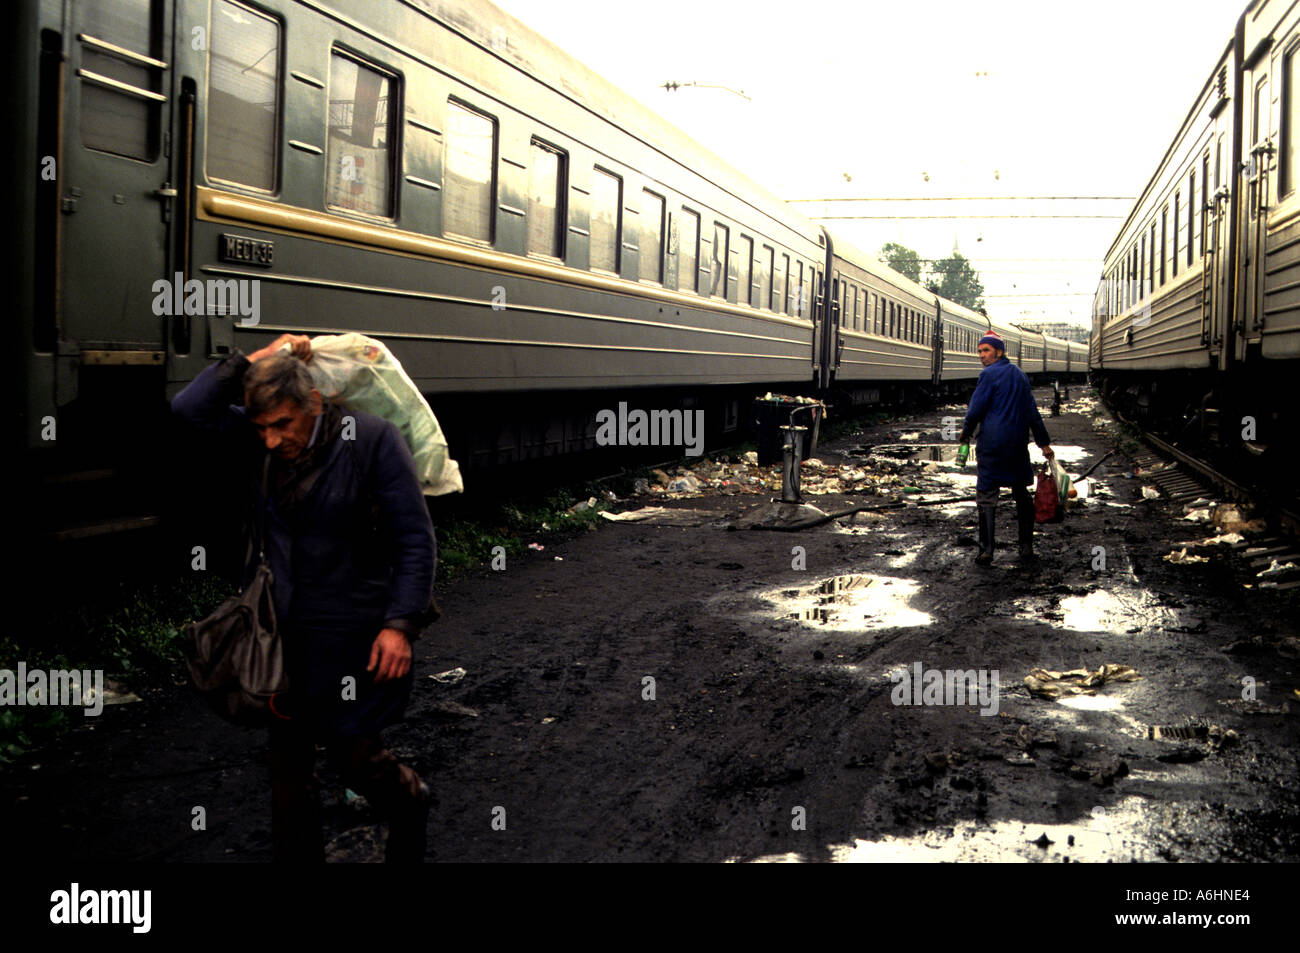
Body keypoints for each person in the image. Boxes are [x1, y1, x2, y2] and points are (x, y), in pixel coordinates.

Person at [172, 333, 437, 862]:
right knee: (288, 775)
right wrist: (261, 355)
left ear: (313, 403)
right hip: (283, 640)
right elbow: (187, 409)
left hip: (354, 641)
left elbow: (414, 539)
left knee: (357, 762)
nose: (271, 440)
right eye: (261, 427)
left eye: (283, 425)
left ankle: (410, 801)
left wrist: (399, 625)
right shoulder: (256, 443)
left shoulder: (373, 440)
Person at [958, 333, 1054, 566]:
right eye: (980, 352)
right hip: (1017, 443)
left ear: (999, 352)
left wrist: (965, 435)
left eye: (986, 351)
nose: (982, 356)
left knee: (988, 495)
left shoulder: (988, 375)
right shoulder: (1021, 375)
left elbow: (975, 410)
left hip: (992, 443)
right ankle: (1025, 547)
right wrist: (1043, 443)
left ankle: (987, 551)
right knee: (1020, 493)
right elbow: (1032, 412)